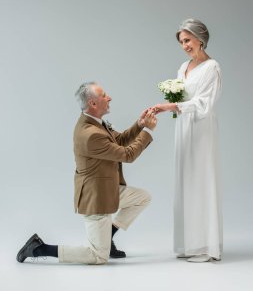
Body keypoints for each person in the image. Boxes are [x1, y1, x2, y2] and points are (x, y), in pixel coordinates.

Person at [17, 82, 157, 265]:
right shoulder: (90, 134)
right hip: (96, 198)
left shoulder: (95, 122)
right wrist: (148, 131)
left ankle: (108, 237)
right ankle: (38, 248)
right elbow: (127, 155)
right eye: (104, 95)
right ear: (92, 103)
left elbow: (120, 140)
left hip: (107, 189)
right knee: (98, 257)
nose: (109, 98)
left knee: (142, 197)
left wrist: (139, 125)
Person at [153, 18, 222, 262]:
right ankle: (188, 244)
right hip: (183, 127)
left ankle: (204, 246)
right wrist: (173, 105)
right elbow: (183, 95)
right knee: (185, 180)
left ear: (200, 39)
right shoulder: (183, 67)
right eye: (181, 42)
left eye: (187, 40)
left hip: (201, 129)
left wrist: (173, 105)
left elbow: (205, 103)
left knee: (200, 180)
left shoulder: (212, 68)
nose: (184, 46)